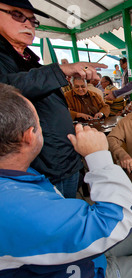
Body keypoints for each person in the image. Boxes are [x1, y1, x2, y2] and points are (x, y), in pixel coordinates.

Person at [0, 83, 132, 278]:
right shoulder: (16, 204)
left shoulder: (16, 178)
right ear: (28, 136)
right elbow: (119, 218)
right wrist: (99, 156)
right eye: (40, 121)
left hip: (52, 266)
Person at [0, 0, 107, 198]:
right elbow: (7, 88)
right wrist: (60, 70)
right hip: (42, 167)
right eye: (17, 15)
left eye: (33, 21)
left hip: (64, 158)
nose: (28, 24)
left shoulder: (28, 59)